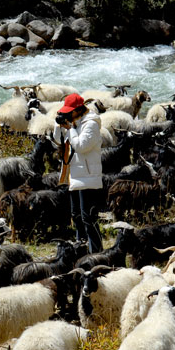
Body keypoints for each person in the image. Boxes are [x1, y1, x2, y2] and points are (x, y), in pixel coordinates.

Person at [53, 93, 104, 253]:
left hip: (88, 176)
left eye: (69, 111)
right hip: (75, 175)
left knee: (88, 218)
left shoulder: (91, 124)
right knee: (76, 216)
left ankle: (96, 252)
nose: (67, 114)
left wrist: (71, 129)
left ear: (78, 110)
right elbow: (56, 140)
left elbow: (81, 146)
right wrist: (59, 125)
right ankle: (81, 248)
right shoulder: (74, 123)